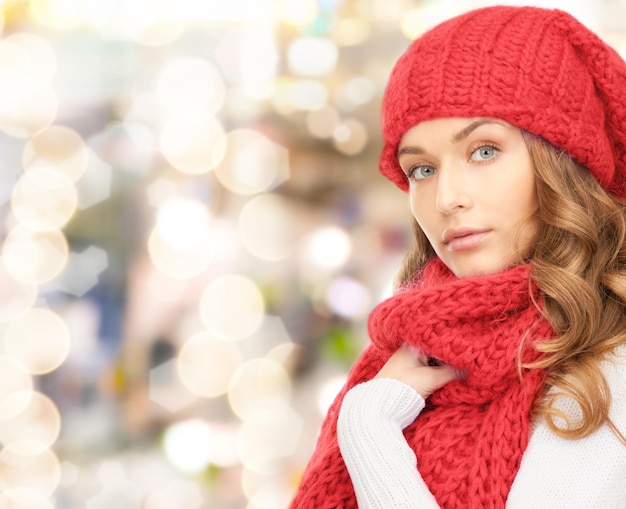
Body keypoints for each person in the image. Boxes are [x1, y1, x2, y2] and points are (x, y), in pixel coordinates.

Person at [289, 5, 626, 509]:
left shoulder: (607, 370)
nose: (446, 198)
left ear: (562, 159)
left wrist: (369, 425)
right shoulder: (416, 350)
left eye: (484, 151)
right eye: (421, 169)